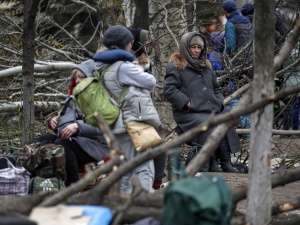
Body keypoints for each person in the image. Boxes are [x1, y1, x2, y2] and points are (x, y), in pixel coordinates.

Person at [93, 25, 159, 194]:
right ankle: (145, 202)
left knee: (126, 168)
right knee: (144, 163)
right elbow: (150, 81)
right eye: (130, 42)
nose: (132, 44)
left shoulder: (101, 66)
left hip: (116, 124)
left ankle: (124, 202)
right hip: (132, 121)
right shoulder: (122, 67)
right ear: (125, 45)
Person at [163, 31, 240, 173]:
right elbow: (169, 90)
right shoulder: (176, 66)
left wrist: (218, 102)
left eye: (199, 47)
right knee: (208, 124)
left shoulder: (206, 67)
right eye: (193, 47)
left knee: (226, 118)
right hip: (189, 113)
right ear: (186, 47)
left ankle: (225, 162)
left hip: (210, 108)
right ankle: (211, 163)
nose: (197, 50)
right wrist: (187, 103)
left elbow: (217, 89)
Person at [34, 59, 110, 186]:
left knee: (62, 144)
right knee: (44, 139)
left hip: (96, 145)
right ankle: (36, 182)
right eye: (76, 77)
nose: (78, 80)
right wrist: (53, 121)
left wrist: (78, 126)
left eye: (81, 77)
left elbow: (103, 126)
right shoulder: (73, 98)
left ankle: (74, 188)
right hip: (76, 140)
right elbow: (65, 118)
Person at [129, 27, 167, 190]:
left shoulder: (145, 60)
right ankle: (146, 186)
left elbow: (149, 87)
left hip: (143, 111)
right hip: (131, 115)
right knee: (150, 145)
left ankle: (156, 182)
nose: (148, 42)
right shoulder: (127, 63)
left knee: (159, 145)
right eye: (145, 39)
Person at [222, 0, 253, 78]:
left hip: (238, 64)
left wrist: (226, 60)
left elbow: (230, 46)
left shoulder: (230, 23)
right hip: (251, 61)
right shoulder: (247, 20)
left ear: (225, 11)